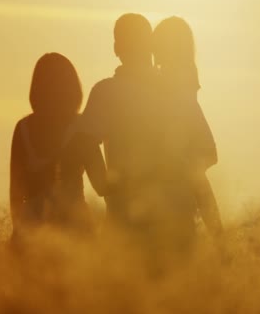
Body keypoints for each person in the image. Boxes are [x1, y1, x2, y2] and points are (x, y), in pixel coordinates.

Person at [10, 53, 107, 244]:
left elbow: (15, 193)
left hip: (32, 227)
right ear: (72, 87)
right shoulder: (82, 127)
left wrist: (19, 235)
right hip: (76, 229)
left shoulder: (23, 128)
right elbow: (102, 185)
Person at [77, 13, 158, 233]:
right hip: (167, 219)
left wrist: (104, 186)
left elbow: (84, 142)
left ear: (116, 48)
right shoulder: (169, 90)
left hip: (125, 220)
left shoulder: (106, 92)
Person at [152, 16, 223, 241]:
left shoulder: (172, 90)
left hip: (173, 198)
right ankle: (220, 240)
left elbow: (208, 152)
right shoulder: (181, 91)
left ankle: (219, 239)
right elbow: (209, 152)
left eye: (158, 45)